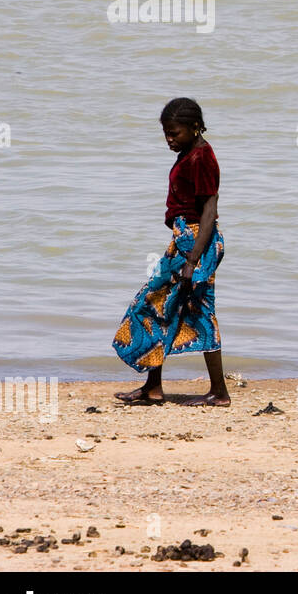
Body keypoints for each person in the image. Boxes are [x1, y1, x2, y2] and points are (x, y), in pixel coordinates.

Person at [114, 98, 230, 406]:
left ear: (194, 128)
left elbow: (209, 210)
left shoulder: (201, 157)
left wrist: (192, 261)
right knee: (159, 308)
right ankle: (153, 388)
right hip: (184, 241)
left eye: (174, 133)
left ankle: (219, 393)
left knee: (195, 312)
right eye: (165, 133)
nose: (169, 139)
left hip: (196, 243)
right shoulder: (190, 153)